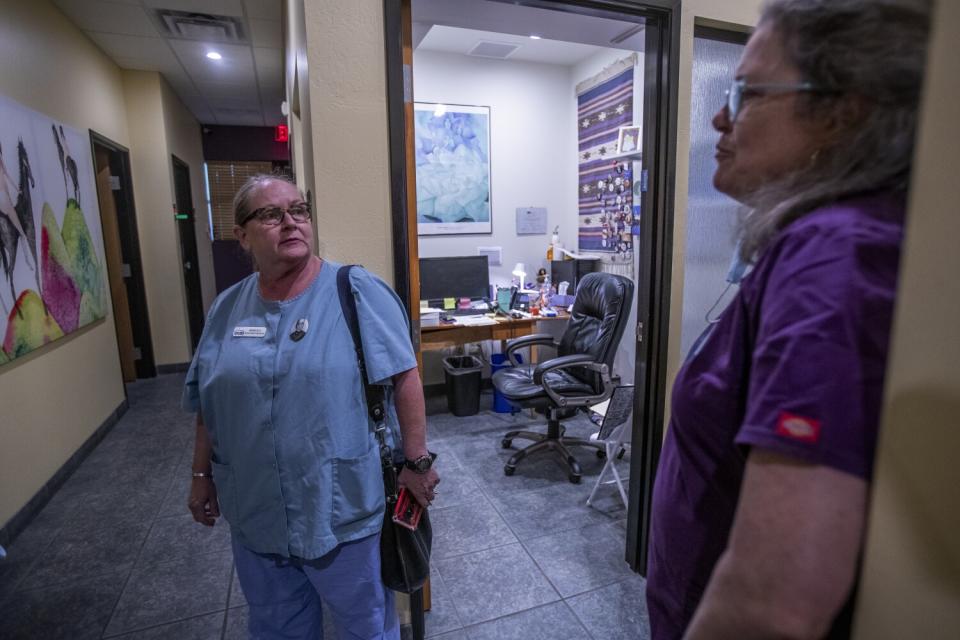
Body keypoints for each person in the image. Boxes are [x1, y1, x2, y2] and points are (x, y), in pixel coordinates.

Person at [647, 1, 930, 638]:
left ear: (841, 111)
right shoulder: (812, 245)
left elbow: (773, 605)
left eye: (746, 93)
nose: (719, 116)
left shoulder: (834, 253)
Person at [183, 174, 440, 640]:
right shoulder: (225, 310)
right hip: (256, 509)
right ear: (241, 234)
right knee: (277, 627)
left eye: (298, 211)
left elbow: (405, 377)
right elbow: (209, 399)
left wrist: (417, 462)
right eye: (270, 214)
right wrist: (201, 475)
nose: (290, 222)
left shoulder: (354, 290)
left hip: (340, 508)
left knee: (365, 627)